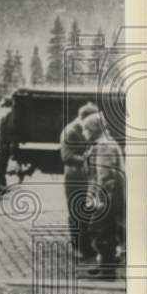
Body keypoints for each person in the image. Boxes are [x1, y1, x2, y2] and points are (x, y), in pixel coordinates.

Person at [81, 111, 126, 279]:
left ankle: (108, 271)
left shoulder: (104, 146)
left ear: (94, 129)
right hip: (108, 197)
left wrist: (100, 201)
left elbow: (105, 177)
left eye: (86, 129)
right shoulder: (102, 143)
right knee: (104, 230)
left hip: (108, 198)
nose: (84, 133)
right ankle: (105, 264)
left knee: (102, 231)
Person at [60, 102, 99, 262]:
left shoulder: (85, 129)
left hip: (86, 178)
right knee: (77, 213)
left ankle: (87, 247)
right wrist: (88, 158)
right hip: (74, 178)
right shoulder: (71, 131)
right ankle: (79, 248)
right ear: (84, 118)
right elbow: (67, 157)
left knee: (87, 212)